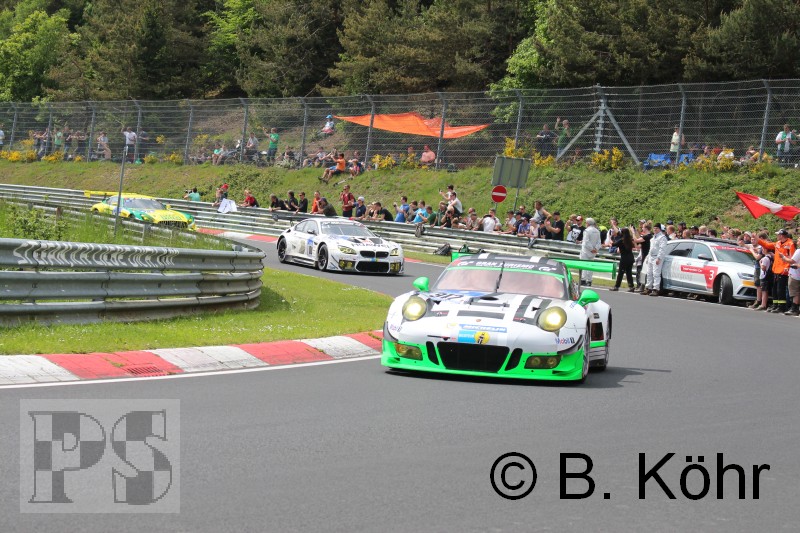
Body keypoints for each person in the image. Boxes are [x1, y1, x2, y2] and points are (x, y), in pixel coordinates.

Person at [757, 229, 796, 313]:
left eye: (778, 234)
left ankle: (781, 306)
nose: (777, 236)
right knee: (774, 289)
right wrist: (758, 240)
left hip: (784, 270)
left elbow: (792, 258)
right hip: (776, 269)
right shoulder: (777, 243)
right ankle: (775, 305)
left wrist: (787, 267)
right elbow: (767, 245)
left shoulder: (790, 244)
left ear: (781, 235)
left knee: (780, 289)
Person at [609, 227, 636, 292]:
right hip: (631, 258)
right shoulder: (630, 239)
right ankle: (631, 286)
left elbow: (613, 244)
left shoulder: (621, 240)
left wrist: (610, 239)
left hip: (624, 258)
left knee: (620, 273)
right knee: (629, 272)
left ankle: (616, 286)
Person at [644, 223, 667, 296]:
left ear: (660, 229)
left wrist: (659, 258)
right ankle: (648, 288)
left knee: (656, 274)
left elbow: (662, 249)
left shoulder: (662, 237)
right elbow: (651, 248)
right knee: (649, 273)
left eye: (656, 228)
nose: (655, 229)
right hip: (651, 256)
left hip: (657, 257)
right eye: (654, 228)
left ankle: (656, 289)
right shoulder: (653, 237)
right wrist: (648, 257)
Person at [579, 218, 602, 286]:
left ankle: (583, 280)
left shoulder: (587, 231)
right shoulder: (597, 231)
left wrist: (591, 249)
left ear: (588, 223)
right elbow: (599, 242)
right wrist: (596, 249)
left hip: (586, 251)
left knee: (584, 265)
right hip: (593, 252)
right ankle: (589, 280)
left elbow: (586, 241)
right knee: (590, 266)